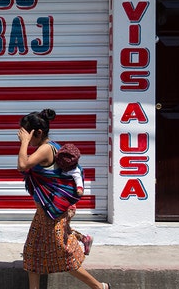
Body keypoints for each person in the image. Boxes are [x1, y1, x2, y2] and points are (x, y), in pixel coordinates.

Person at [17, 109, 110, 289]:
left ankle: (99, 287)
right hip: (45, 213)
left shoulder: (46, 149)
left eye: (27, 134)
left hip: (54, 213)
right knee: (32, 253)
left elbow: (22, 165)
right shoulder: (49, 146)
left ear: (38, 133)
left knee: (63, 255)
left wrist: (24, 143)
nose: (22, 137)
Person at [55, 143, 94, 255]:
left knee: (62, 230)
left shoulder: (75, 171)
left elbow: (78, 181)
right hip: (62, 205)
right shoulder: (61, 168)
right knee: (65, 228)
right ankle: (84, 239)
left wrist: (79, 189)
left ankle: (71, 249)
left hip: (68, 207)